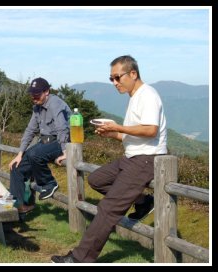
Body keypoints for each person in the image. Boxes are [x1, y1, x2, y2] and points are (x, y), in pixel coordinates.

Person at [51, 55, 167, 263]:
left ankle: (80, 258)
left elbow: (151, 130)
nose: (114, 83)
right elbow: (132, 134)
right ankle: (143, 201)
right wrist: (112, 133)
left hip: (146, 159)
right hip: (132, 157)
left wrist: (117, 126)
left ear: (133, 74)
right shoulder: (135, 96)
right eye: (111, 78)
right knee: (97, 179)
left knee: (107, 209)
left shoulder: (147, 95)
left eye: (117, 77)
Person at [8, 77, 72, 215]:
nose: (33, 97)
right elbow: (30, 130)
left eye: (37, 94)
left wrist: (66, 151)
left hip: (61, 141)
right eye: (32, 93)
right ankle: (17, 207)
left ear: (46, 91)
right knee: (16, 168)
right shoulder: (37, 107)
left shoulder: (56, 104)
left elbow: (62, 129)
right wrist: (19, 154)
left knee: (34, 154)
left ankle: (49, 183)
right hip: (46, 141)